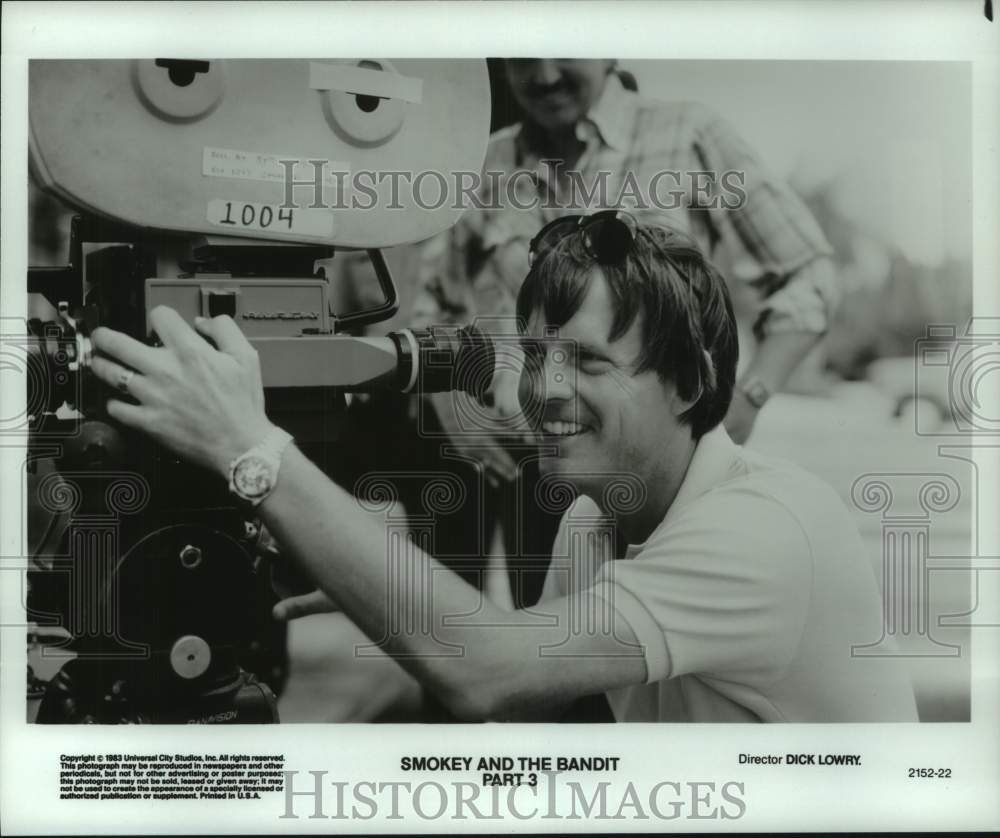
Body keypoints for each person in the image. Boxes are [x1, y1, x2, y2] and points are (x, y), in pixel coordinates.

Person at [89, 213, 916, 722]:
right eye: (537, 355)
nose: (544, 391)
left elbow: (489, 672)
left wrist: (250, 447)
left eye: (589, 362)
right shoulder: (596, 519)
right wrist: (363, 565)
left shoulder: (762, 529)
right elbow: (542, 715)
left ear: (690, 382)